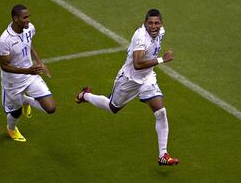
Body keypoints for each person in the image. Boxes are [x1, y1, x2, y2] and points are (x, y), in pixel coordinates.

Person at [76, 9, 179, 166]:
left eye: (156, 23)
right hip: (129, 79)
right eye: (150, 23)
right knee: (112, 107)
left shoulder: (161, 32)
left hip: (147, 78)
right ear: (145, 23)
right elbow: (137, 64)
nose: (153, 26)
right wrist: (161, 60)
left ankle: (163, 155)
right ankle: (86, 96)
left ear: (161, 24)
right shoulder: (140, 37)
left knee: (160, 111)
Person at [0, 4, 56, 142]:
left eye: (28, 16)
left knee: (51, 108)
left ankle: (25, 101)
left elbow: (28, 44)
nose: (28, 20)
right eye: (25, 17)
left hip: (30, 76)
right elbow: (4, 66)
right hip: (13, 82)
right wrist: (27, 70)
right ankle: (11, 129)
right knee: (16, 112)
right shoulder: (5, 40)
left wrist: (39, 62)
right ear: (15, 18)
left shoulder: (29, 28)